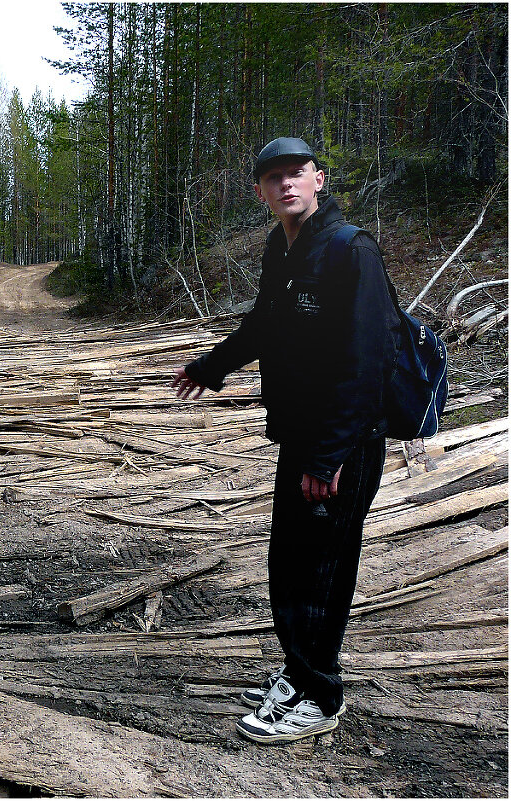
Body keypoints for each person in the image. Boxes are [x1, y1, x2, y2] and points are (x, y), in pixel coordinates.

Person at [172, 136, 399, 745]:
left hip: (343, 442)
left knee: (322, 568)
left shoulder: (352, 251)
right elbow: (266, 323)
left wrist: (332, 456)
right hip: (302, 434)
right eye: (274, 177)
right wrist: (211, 367)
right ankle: (299, 673)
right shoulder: (284, 246)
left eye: (297, 173)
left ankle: (321, 694)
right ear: (261, 191)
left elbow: (366, 362)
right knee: (291, 564)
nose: (286, 185)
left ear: (318, 179)